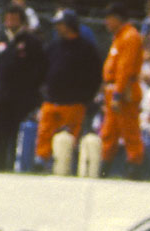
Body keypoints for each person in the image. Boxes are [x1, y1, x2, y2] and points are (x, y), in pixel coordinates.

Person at [35, 9, 101, 171]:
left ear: (70, 25)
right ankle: (41, 163)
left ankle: (67, 168)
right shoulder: (53, 47)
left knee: (69, 140)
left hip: (73, 102)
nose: (57, 28)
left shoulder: (86, 49)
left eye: (61, 24)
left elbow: (95, 75)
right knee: (44, 134)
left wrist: (87, 96)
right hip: (52, 99)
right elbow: (43, 69)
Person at [0, 4, 46, 171]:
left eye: (14, 18)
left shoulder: (30, 42)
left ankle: (16, 165)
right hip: (4, 94)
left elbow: (40, 67)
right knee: (0, 132)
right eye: (8, 18)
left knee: (17, 133)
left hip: (22, 95)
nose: (10, 22)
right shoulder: (1, 39)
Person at [101, 2, 145, 176]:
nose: (106, 23)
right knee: (109, 132)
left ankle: (135, 168)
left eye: (108, 19)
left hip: (124, 91)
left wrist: (118, 94)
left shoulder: (129, 36)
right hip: (113, 89)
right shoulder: (119, 37)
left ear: (117, 18)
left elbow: (125, 69)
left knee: (129, 131)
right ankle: (104, 167)